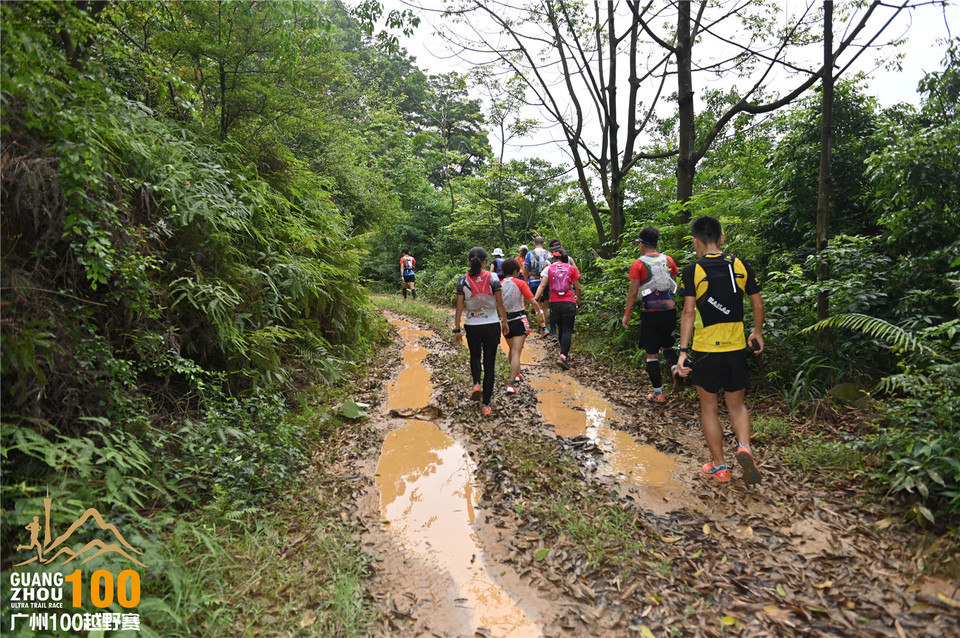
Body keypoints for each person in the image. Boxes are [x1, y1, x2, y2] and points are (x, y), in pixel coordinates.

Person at [675, 215, 764, 485]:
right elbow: (758, 304)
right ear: (721, 238)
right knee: (736, 405)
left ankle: (720, 467)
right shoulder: (739, 264)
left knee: (709, 408)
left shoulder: (692, 270)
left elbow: (689, 312)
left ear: (694, 241)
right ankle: (744, 447)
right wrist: (757, 332)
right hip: (736, 347)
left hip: (705, 351)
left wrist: (682, 350)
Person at [622, 226, 680, 403]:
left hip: (651, 313)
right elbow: (673, 283)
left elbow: (633, 292)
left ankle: (658, 393)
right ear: (657, 243)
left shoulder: (639, 263)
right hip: (670, 311)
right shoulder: (668, 260)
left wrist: (627, 313)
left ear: (641, 244)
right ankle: (676, 368)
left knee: (652, 353)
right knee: (668, 346)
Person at [455, 247, 510, 416]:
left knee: (475, 356)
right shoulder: (493, 278)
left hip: (472, 324)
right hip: (491, 323)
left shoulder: (462, 280)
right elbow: (500, 303)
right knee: (490, 363)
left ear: (469, 261)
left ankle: (476, 383)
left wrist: (457, 328)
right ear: (485, 261)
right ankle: (486, 404)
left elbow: (459, 307)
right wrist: (505, 321)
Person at [500, 258, 545, 394]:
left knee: (512, 349)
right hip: (519, 319)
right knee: (516, 353)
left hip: (505, 321)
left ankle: (516, 374)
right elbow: (532, 300)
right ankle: (511, 383)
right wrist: (539, 312)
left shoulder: (499, 284)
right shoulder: (520, 283)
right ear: (515, 271)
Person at [534, 249, 581, 370]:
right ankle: (563, 355)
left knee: (560, 328)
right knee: (567, 330)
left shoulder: (548, 268)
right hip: (569, 301)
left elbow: (542, 285)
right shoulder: (571, 268)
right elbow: (578, 286)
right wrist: (578, 300)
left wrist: (534, 300)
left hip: (554, 303)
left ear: (553, 259)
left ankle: (563, 352)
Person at [545, 239, 577, 337]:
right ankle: (569, 329)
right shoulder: (569, 259)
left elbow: (544, 278)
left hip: (553, 291)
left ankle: (554, 332)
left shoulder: (548, 261)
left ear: (551, 249)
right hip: (568, 290)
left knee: (553, 311)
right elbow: (576, 271)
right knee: (570, 310)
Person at [524, 237, 551, 336]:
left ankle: (543, 327)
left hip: (534, 281)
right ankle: (546, 326)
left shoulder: (530, 254)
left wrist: (526, 281)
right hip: (546, 281)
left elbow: (526, 269)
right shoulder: (549, 254)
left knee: (537, 306)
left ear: (534, 244)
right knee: (545, 306)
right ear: (544, 243)